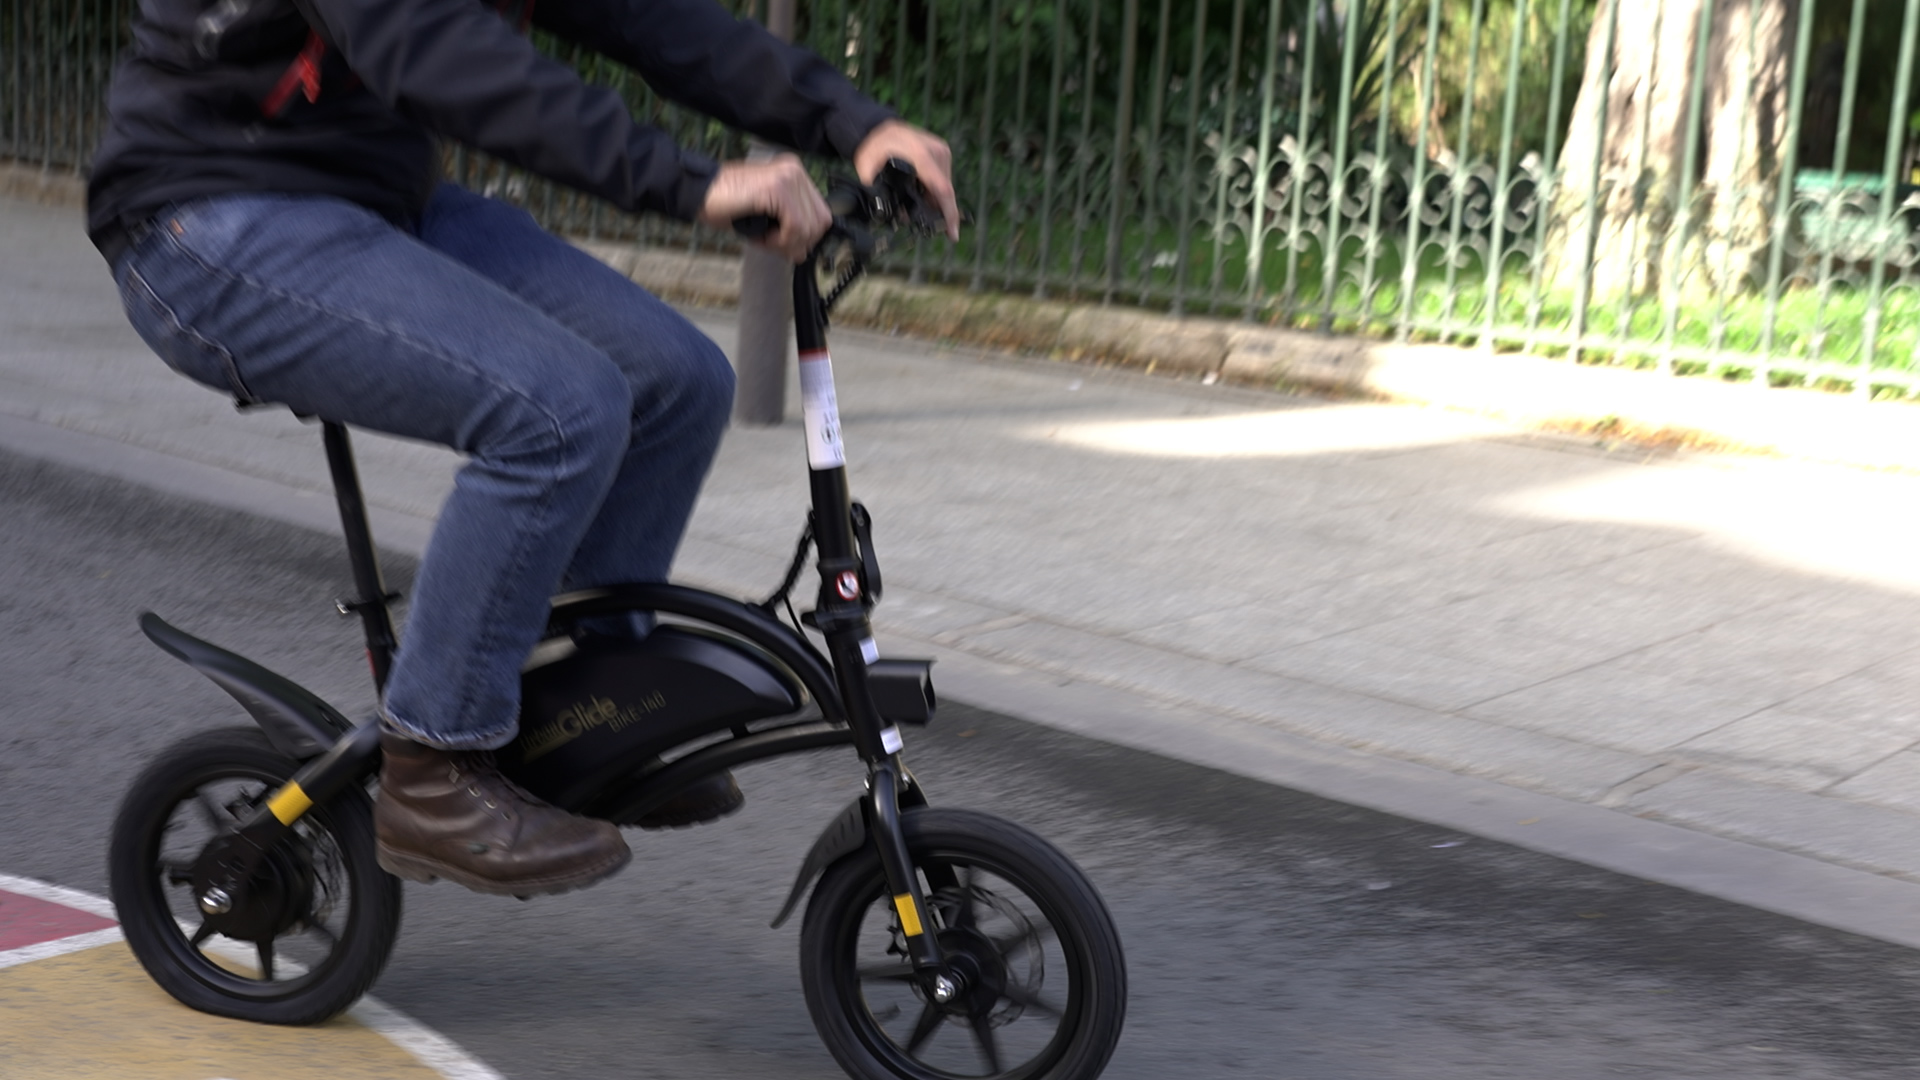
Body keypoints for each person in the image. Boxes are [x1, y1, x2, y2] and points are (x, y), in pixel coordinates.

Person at [88, 0, 959, 898]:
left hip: (381, 202)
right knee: (557, 412)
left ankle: (579, 710)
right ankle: (432, 764)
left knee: (678, 378)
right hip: (208, 221)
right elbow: (436, 51)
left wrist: (857, 122)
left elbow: (665, 25)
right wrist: (694, 182)